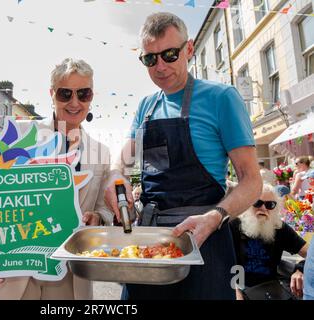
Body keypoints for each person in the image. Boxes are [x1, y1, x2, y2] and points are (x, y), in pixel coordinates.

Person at [104, 12, 262, 300]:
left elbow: (252, 182)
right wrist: (115, 176)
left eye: (170, 54)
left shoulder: (221, 98)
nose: (160, 66)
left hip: (205, 240)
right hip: (149, 241)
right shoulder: (145, 107)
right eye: (150, 59)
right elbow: (122, 161)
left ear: (188, 49)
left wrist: (215, 217)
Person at [0, 58, 113, 300]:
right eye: (65, 93)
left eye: (83, 93)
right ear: (52, 93)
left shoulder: (101, 152)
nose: (75, 102)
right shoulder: (19, 134)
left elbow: (102, 208)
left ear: (92, 95)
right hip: (14, 275)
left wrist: (98, 216)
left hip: (69, 278)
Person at [230, 184, 308, 299]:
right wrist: (234, 291)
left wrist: (300, 269)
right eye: (257, 203)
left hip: (270, 290)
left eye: (270, 205)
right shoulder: (233, 226)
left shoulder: (279, 228)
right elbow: (219, 264)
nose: (263, 208)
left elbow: (310, 253)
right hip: (237, 287)